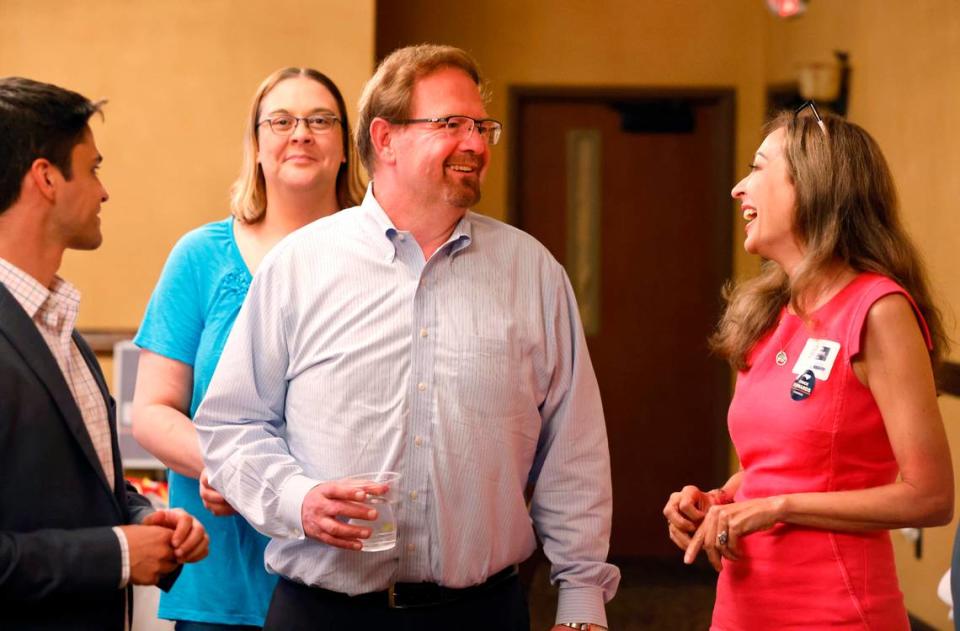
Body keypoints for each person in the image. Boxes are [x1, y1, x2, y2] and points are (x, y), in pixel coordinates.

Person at [194, 44, 620, 631]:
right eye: (451, 124)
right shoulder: (300, 266)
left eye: (482, 127)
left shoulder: (534, 273)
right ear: (385, 138)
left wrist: (582, 595)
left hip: (481, 613)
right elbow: (231, 425)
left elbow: (573, 447)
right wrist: (296, 500)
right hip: (323, 611)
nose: (475, 143)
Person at [663, 104, 953, 630]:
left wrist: (776, 508)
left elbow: (931, 496)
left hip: (834, 609)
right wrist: (719, 499)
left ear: (811, 185)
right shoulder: (770, 315)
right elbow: (781, 465)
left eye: (757, 168)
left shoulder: (878, 310)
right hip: (744, 603)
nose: (737, 188)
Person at [131, 67, 363, 630]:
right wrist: (232, 469)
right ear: (257, 146)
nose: (300, 133)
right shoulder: (199, 256)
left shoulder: (380, 259)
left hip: (345, 573)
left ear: (346, 149)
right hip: (223, 579)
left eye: (320, 120)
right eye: (281, 121)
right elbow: (152, 411)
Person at [0, 76, 209, 630]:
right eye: (92, 168)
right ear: (46, 178)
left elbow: (87, 493)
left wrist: (146, 521)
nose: (104, 191)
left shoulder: (59, 327)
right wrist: (117, 554)